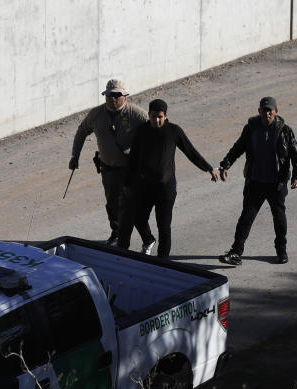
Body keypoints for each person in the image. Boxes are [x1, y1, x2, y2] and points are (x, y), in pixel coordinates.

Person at [119, 98, 218, 257]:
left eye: (160, 116)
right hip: (145, 187)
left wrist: (208, 168)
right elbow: (134, 160)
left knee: (164, 227)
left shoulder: (174, 131)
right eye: (153, 116)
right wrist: (127, 183)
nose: (156, 120)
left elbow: (190, 152)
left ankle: (163, 262)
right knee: (138, 218)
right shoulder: (142, 131)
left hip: (166, 189)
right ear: (148, 115)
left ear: (165, 116)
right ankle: (148, 239)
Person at [217, 96, 297, 265]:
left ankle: (281, 251)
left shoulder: (285, 131)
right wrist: (226, 164)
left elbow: (296, 155)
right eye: (264, 110)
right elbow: (238, 148)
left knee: (279, 218)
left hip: (276, 185)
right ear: (259, 112)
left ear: (276, 112)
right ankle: (236, 253)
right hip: (255, 183)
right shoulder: (251, 129)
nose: (267, 113)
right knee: (246, 218)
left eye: (270, 110)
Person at [69, 79, 149, 246]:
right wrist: (75, 155)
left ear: (124, 96)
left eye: (117, 95)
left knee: (132, 204)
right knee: (112, 203)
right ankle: (117, 233)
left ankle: (147, 238)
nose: (112, 98)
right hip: (108, 169)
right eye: (109, 95)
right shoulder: (96, 114)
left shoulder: (136, 114)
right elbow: (82, 131)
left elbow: (154, 132)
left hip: (130, 169)